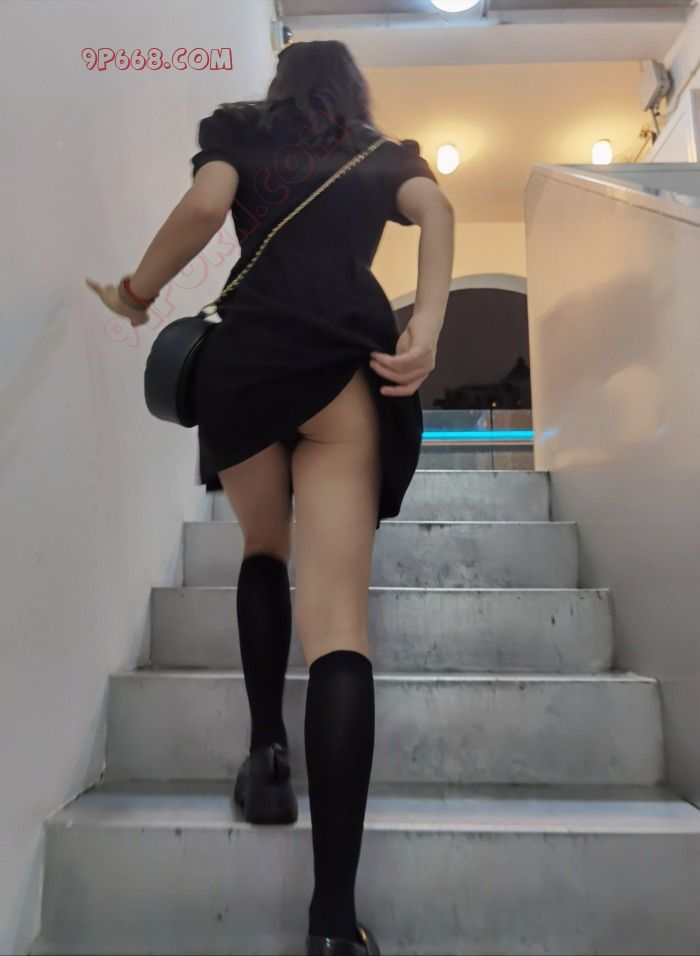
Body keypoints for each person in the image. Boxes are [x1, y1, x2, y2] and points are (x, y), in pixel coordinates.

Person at [86, 38, 454, 956]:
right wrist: (428, 325)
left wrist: (136, 292)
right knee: (338, 628)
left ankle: (267, 758)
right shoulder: (381, 152)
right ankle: (332, 923)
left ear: (281, 83)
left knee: (261, 546)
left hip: (246, 370)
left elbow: (206, 205)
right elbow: (439, 210)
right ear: (353, 91)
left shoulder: (239, 131)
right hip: (340, 370)